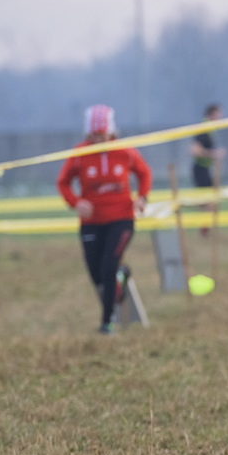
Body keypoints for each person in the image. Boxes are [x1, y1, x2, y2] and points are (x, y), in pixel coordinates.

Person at [56, 105, 152, 335]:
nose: (99, 139)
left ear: (111, 132)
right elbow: (63, 182)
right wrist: (76, 202)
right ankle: (121, 276)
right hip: (91, 222)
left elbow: (144, 173)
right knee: (96, 272)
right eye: (94, 135)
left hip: (122, 219)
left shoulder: (125, 151)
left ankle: (107, 322)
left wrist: (142, 197)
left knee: (108, 266)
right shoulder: (79, 154)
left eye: (102, 135)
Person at [190, 103, 226, 188]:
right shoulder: (204, 128)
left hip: (206, 168)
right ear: (212, 114)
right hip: (201, 168)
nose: (220, 117)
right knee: (206, 194)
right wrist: (214, 154)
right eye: (219, 114)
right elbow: (194, 150)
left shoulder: (209, 129)